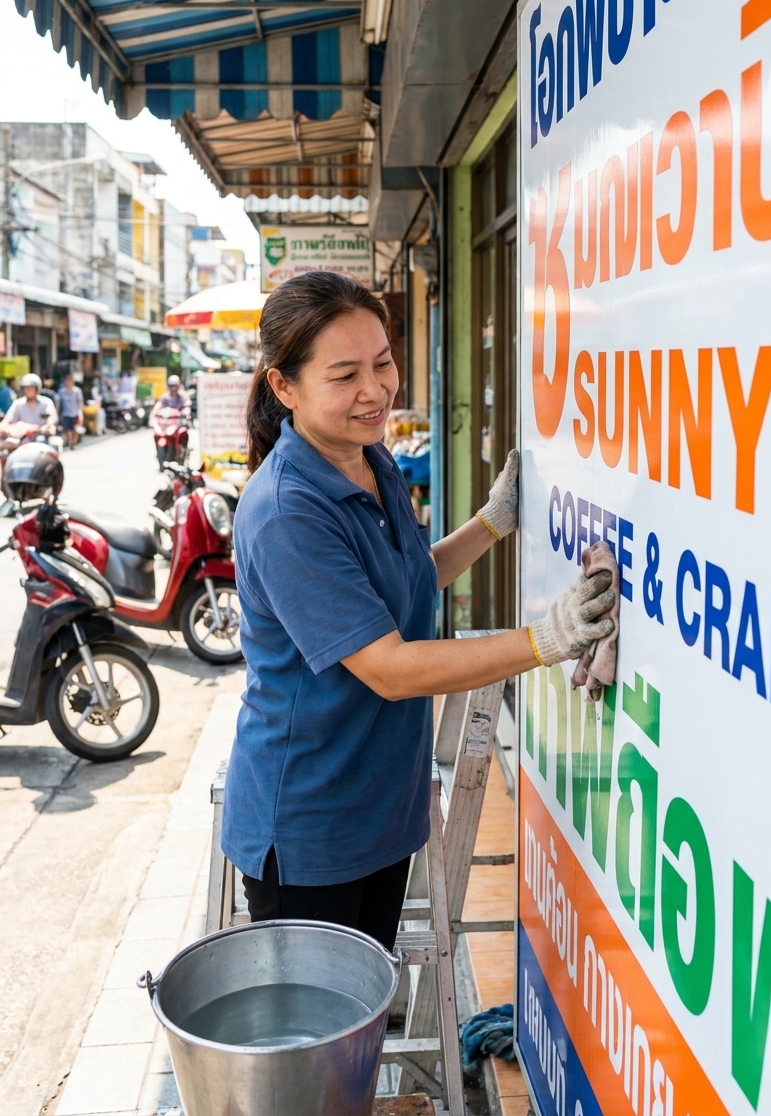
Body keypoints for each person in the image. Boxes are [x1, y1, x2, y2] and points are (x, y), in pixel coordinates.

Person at [220, 272, 615, 951]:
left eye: (382, 363)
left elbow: (405, 582)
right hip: (310, 824)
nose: (374, 391)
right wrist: (547, 639)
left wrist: (492, 523)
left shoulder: (371, 459)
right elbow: (391, 667)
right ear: (284, 388)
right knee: (323, 1049)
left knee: (363, 1021)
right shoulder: (287, 511)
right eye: (344, 376)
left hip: (380, 808)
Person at [58, 374, 84, 449]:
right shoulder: (61, 391)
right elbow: (59, 403)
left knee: (76, 429)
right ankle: (69, 441)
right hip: (66, 413)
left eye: (70, 381)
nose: (69, 382)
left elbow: (80, 403)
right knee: (67, 429)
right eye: (67, 381)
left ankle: (73, 443)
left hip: (75, 413)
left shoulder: (77, 391)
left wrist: (80, 414)